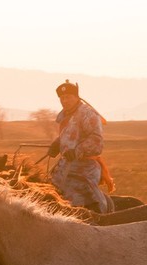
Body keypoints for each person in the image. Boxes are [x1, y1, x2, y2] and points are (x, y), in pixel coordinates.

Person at [47, 80, 114, 213]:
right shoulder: (65, 116)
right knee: (48, 188)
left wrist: (77, 151)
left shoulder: (88, 114)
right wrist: (57, 142)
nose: (65, 101)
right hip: (66, 164)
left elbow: (96, 140)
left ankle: (97, 218)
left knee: (75, 193)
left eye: (68, 97)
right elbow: (70, 135)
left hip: (85, 166)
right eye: (62, 98)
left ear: (77, 97)